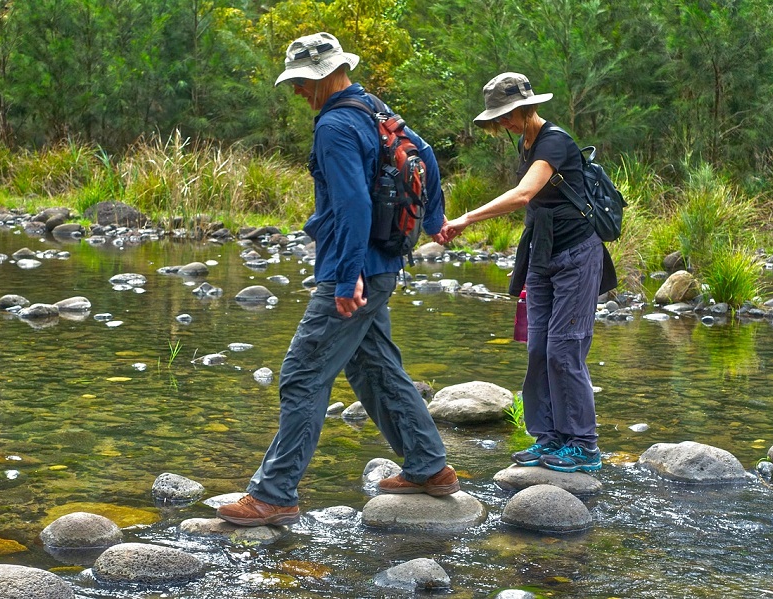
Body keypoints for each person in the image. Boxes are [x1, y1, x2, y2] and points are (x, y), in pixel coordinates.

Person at [216, 32, 458, 527]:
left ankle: (275, 494)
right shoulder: (375, 108)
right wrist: (433, 219)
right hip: (385, 264)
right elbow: (426, 155)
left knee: (302, 374)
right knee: (375, 369)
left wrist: (348, 278)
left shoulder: (335, 126)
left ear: (327, 74)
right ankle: (430, 467)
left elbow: (352, 205)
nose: (299, 91)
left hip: (354, 271)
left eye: (304, 82)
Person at [442, 72, 617, 473]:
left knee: (564, 349)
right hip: (541, 256)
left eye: (506, 115)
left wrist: (466, 218)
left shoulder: (555, 140)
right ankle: (549, 438)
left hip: (576, 253)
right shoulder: (525, 141)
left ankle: (584, 446)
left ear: (526, 107)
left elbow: (524, 194)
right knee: (538, 349)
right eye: (497, 118)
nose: (501, 123)